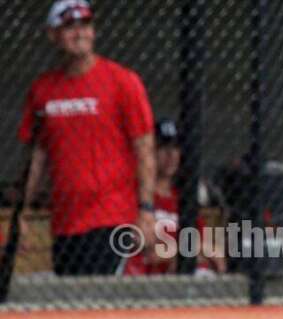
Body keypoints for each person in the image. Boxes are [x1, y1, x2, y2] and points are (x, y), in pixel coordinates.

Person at [18, 0, 156, 276]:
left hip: (113, 217)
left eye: (85, 24)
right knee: (72, 308)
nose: (79, 32)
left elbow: (144, 148)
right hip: (65, 222)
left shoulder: (121, 81)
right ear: (52, 34)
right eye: (69, 26)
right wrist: (21, 211)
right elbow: (38, 156)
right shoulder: (43, 90)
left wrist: (146, 210)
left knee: (102, 304)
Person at [124, 119, 225, 275]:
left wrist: (179, 251)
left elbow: (215, 253)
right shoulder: (137, 196)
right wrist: (188, 251)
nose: (171, 154)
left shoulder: (183, 199)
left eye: (175, 147)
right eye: (163, 147)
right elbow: (149, 254)